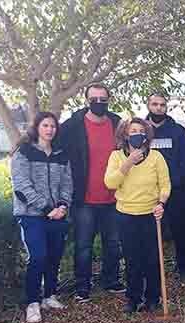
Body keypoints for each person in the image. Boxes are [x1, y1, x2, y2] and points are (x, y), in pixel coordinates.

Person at [59, 83, 124, 303]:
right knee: (84, 245)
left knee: (113, 243)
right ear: (86, 99)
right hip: (84, 198)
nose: (98, 102)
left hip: (114, 197)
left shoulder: (117, 123)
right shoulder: (73, 126)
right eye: (94, 98)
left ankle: (111, 280)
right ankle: (82, 287)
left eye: (103, 98)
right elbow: (55, 149)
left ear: (109, 99)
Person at [11, 112, 73, 323]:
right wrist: (47, 208)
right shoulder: (24, 152)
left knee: (54, 257)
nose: (49, 129)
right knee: (38, 257)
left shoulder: (60, 154)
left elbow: (67, 183)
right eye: (45, 125)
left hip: (57, 215)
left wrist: (63, 205)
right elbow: (21, 187)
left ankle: (49, 296)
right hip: (31, 215)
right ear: (37, 127)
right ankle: (32, 302)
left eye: (53, 126)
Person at [104, 118, 171, 313]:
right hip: (126, 215)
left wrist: (161, 202)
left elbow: (165, 184)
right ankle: (133, 298)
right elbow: (110, 183)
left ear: (146, 136)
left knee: (152, 258)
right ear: (125, 134)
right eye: (133, 130)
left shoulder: (156, 157)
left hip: (151, 214)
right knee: (132, 259)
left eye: (141, 131)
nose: (137, 134)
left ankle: (153, 297)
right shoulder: (116, 157)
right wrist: (128, 163)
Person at [145, 93, 185, 280]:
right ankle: (152, 271)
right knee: (150, 235)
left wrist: (172, 184)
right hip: (148, 193)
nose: (158, 108)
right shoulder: (140, 130)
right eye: (154, 104)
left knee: (180, 230)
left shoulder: (177, 131)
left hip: (175, 191)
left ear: (167, 107)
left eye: (162, 105)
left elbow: (184, 161)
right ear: (148, 105)